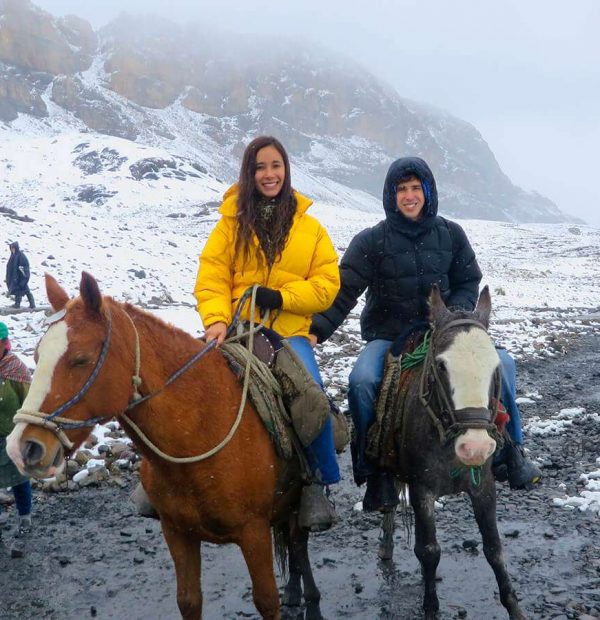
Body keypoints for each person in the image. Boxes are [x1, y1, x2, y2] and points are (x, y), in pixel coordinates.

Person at [309, 157, 542, 512]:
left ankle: (511, 452)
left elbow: (468, 280)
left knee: (502, 364)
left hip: (447, 332)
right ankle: (376, 472)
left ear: (428, 192)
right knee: (362, 380)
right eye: (401, 189)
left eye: (416, 188)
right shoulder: (372, 240)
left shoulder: (450, 234)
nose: (409, 196)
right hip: (390, 336)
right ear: (391, 195)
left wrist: (452, 317)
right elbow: (344, 292)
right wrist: (316, 331)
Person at [194, 135, 341, 530]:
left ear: (286, 170)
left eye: (275, 165)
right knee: (188, 386)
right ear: (249, 172)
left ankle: (319, 481)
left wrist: (284, 298)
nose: (269, 174)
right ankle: (171, 480)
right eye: (260, 167)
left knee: (312, 395)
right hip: (238, 330)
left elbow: (328, 283)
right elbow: (212, 277)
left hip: (290, 333)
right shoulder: (230, 224)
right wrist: (216, 322)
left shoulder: (310, 229)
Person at [0, 321, 34, 557]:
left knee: (19, 480)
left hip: (13, 437)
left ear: (4, 344)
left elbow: (31, 405)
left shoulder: (16, 370)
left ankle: (25, 519)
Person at [5, 241, 35, 309]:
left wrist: (23, 277)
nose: (12, 250)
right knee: (21, 290)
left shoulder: (21, 256)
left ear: (16, 248)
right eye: (11, 248)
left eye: (13, 248)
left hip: (21, 277)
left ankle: (21, 304)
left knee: (23, 289)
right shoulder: (13, 256)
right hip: (16, 277)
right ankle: (21, 304)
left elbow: (25, 267)